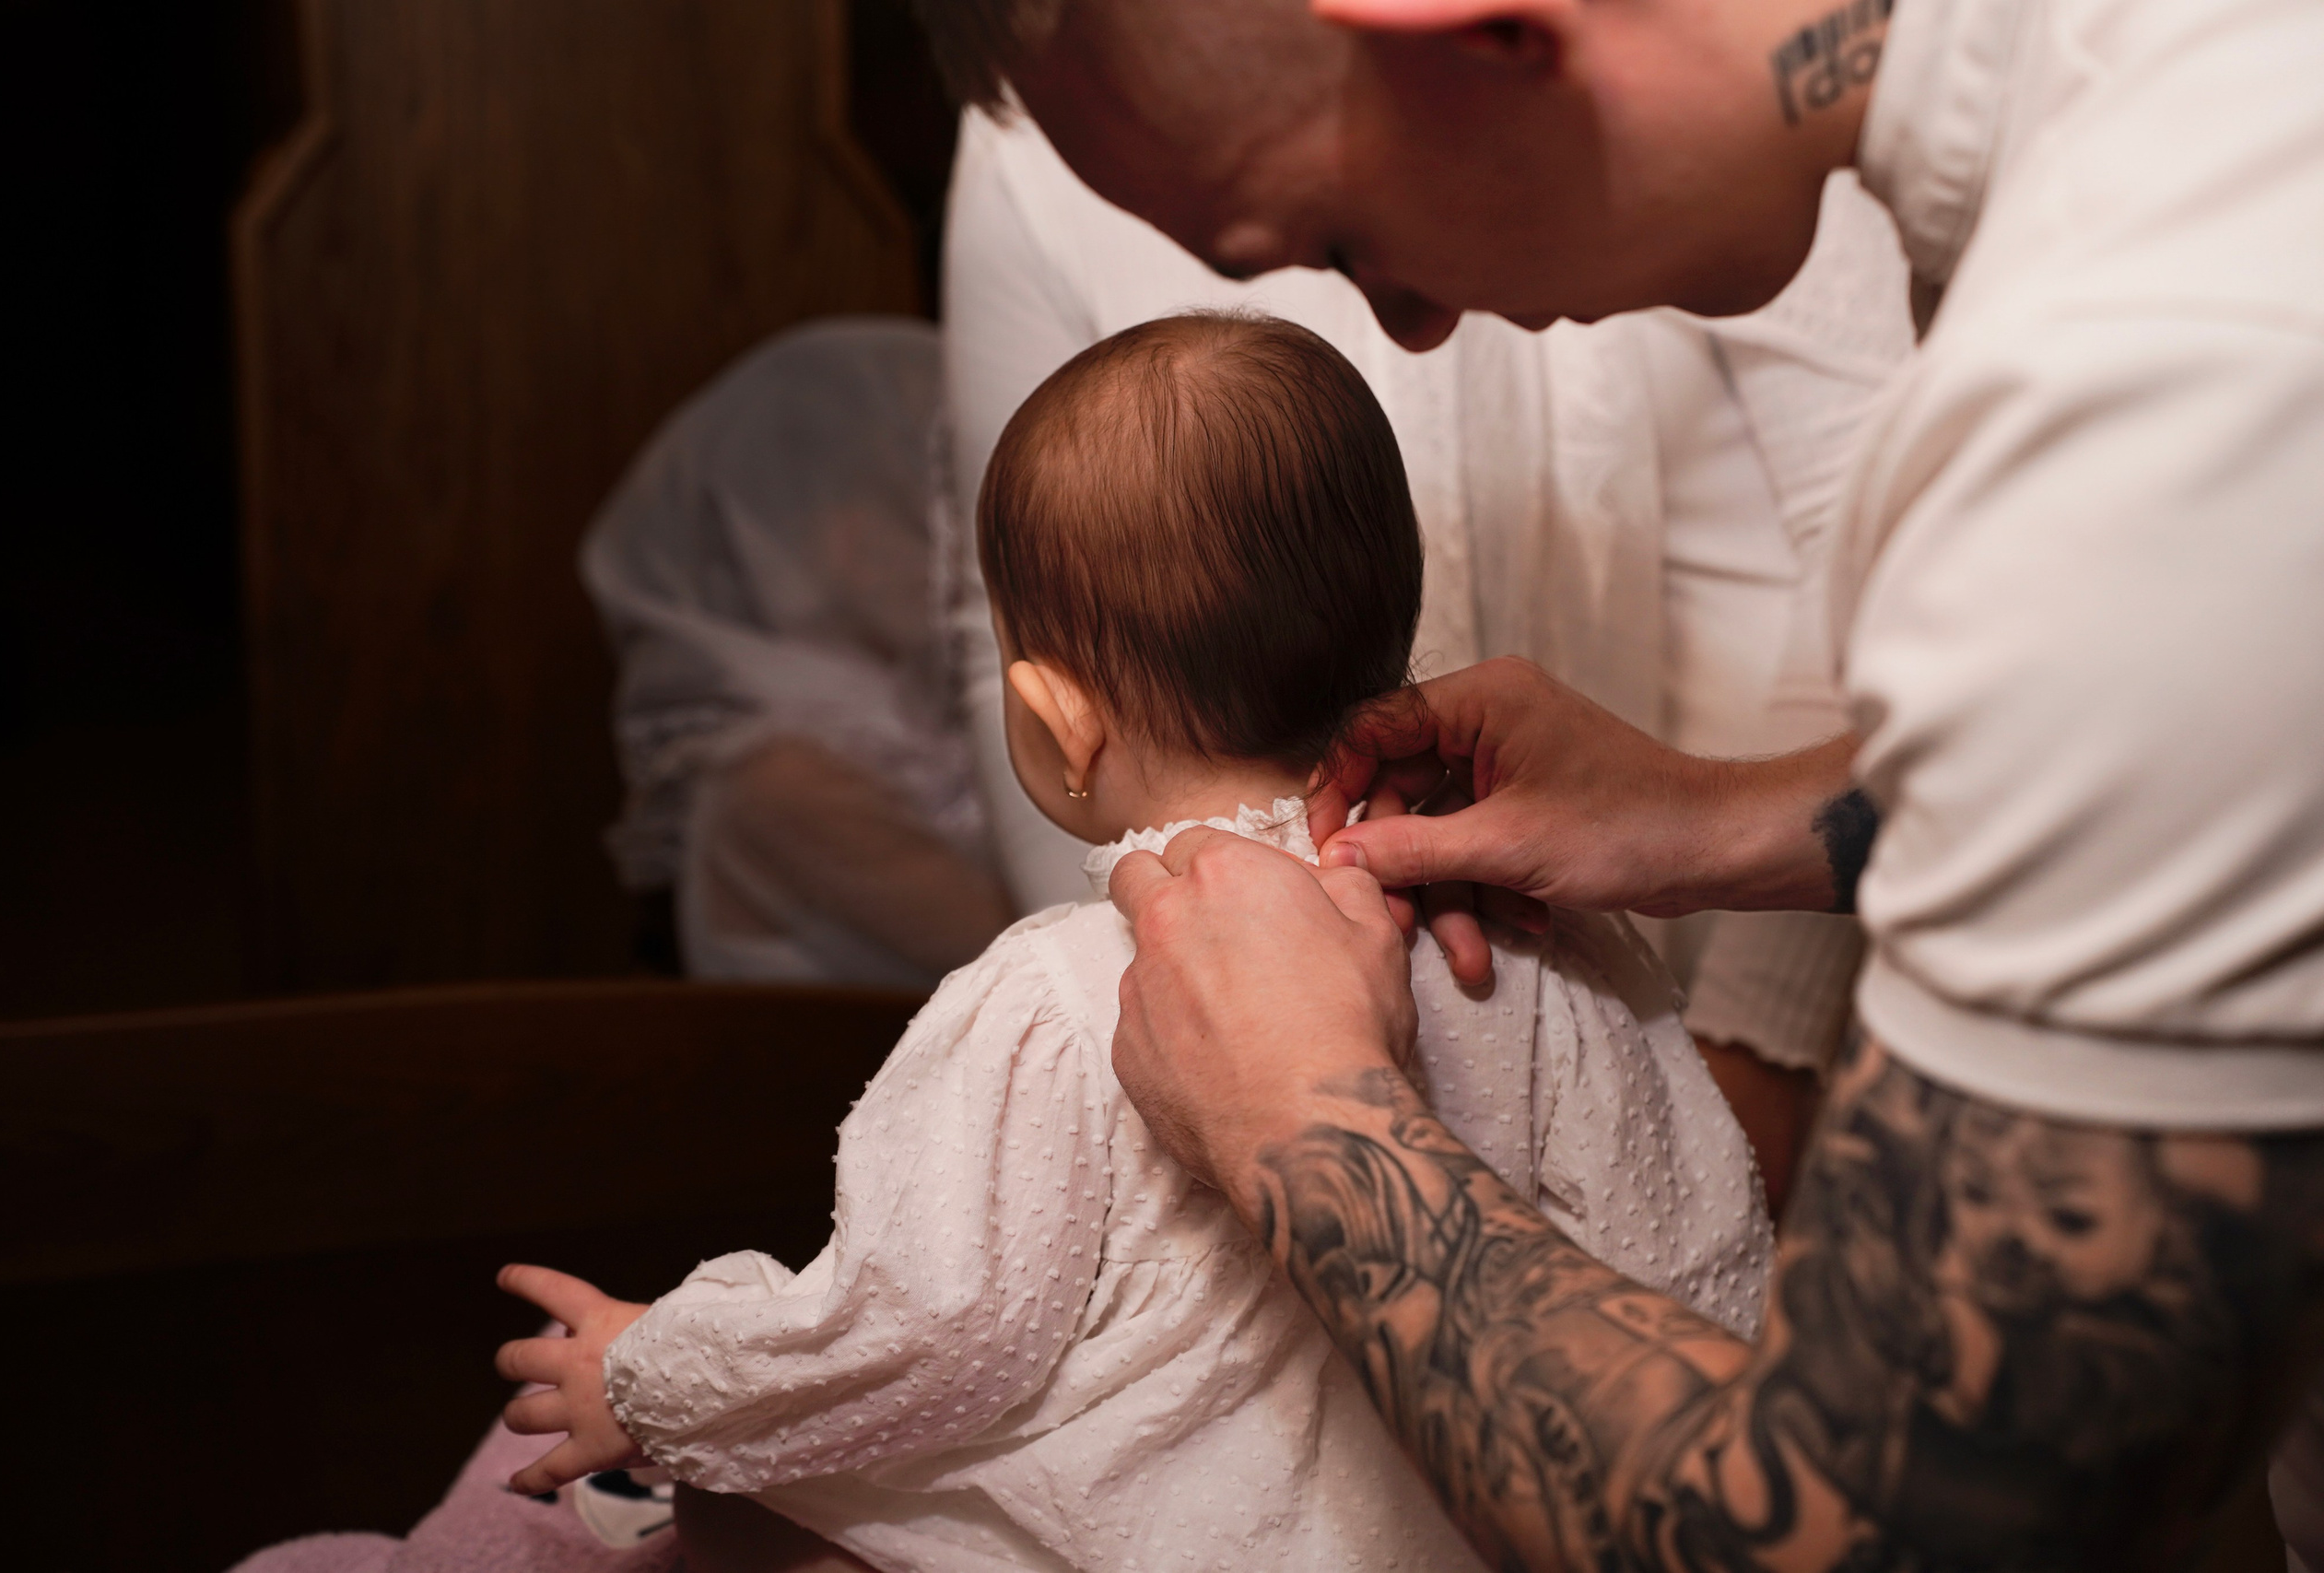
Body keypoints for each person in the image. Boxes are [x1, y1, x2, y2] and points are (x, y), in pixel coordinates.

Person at [910, 0, 2324, 1566]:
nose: (1415, 328)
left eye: (1344, 239)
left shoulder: (2156, 379)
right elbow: (2209, 767)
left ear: (1468, 26)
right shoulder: (2146, 117)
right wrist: (1734, 818)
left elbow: (1894, 1531)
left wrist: (1306, 1125)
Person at [490, 313, 1772, 1571]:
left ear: (1057, 720)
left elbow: (916, 1334)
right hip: (1538, 1514)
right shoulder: (1541, 929)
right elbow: (1697, 1247)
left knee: (736, 1514)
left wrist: (655, 1374)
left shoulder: (1052, 997)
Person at [939, 94, 1915, 1213]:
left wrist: (1760, 1029)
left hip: (1729, 937)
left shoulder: (1029, 1019)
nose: (1415, 317)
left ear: (1056, 717)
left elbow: (897, 1306)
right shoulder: (1569, 978)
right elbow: (1703, 1269)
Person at [581, 318, 1013, 992]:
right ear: (846, 543)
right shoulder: (782, 781)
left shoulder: (905, 727)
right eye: (938, 516)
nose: (976, 554)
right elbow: (1019, 953)